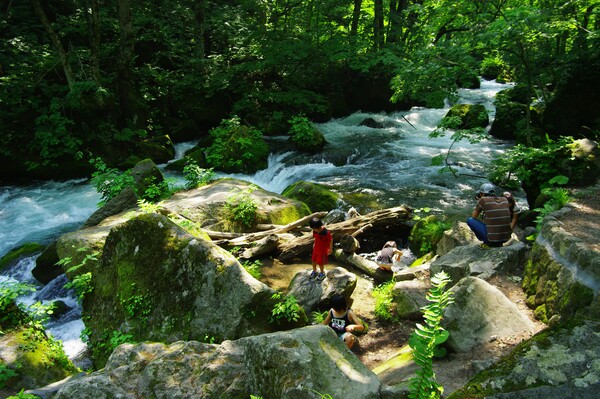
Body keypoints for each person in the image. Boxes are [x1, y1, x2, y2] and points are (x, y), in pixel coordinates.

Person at [467, 183, 512, 248]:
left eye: (480, 194)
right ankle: (495, 242)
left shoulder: (483, 200)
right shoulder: (504, 200)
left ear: (482, 194)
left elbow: (474, 216)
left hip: (492, 240)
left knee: (470, 220)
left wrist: (479, 202)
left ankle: (487, 242)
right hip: (506, 238)